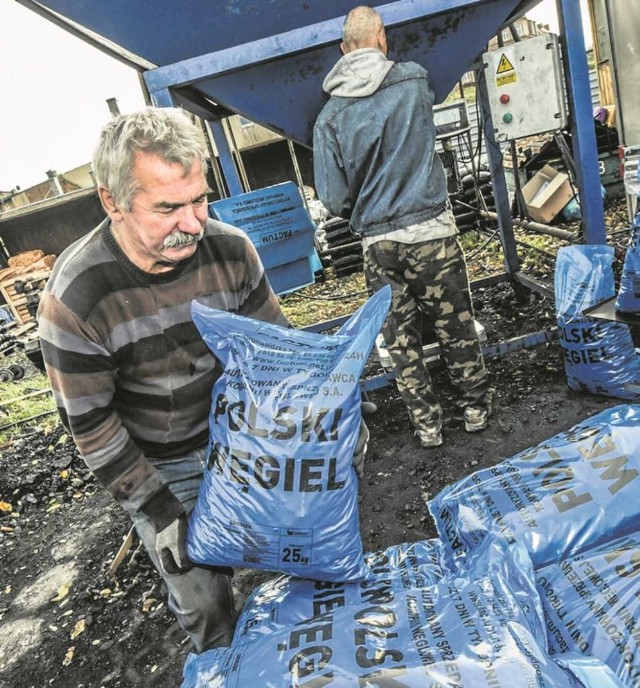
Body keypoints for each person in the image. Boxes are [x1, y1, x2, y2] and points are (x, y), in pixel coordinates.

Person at [37, 106, 369, 654]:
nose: (193, 224)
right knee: (205, 599)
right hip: (160, 460)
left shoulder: (230, 249)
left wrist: (330, 421)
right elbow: (92, 425)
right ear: (111, 202)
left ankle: (321, 674)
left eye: (199, 199)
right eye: (168, 208)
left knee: (309, 545)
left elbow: (278, 355)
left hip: (243, 438)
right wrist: (159, 510)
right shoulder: (75, 298)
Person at [313, 5, 491, 448]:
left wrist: (369, 207)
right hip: (431, 233)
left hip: (379, 245)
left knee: (401, 341)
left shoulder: (329, 118)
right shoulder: (414, 80)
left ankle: (427, 425)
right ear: (382, 39)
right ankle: (474, 407)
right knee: (456, 326)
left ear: (342, 50)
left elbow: (333, 199)